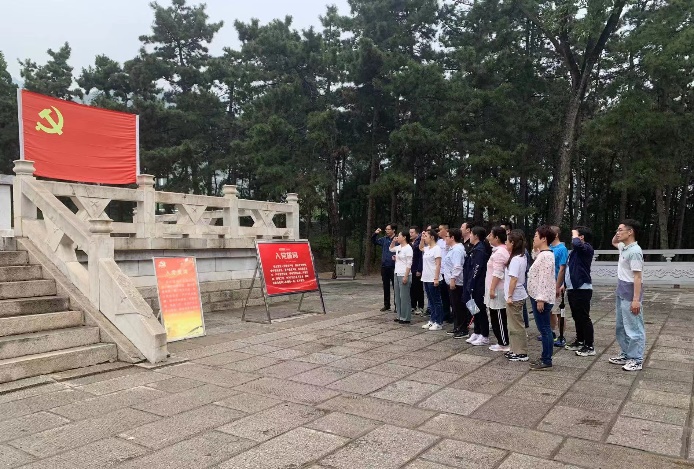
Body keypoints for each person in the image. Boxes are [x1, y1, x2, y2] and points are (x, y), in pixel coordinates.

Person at [609, 220, 645, 371]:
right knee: (621, 327)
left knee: (634, 328)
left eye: (620, 230)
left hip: (631, 294)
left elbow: (637, 277)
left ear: (630, 232)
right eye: (617, 230)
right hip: (621, 291)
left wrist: (636, 300)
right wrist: (618, 232)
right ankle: (626, 354)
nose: (617, 233)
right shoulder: (624, 247)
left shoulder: (635, 251)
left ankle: (636, 359)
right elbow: (614, 242)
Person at [527, 225, 557, 371]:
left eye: (536, 236)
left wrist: (541, 298)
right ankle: (545, 357)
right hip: (537, 295)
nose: (533, 238)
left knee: (545, 330)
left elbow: (545, 279)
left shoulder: (546, 256)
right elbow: (535, 258)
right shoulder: (543, 254)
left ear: (544, 239)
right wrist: (535, 247)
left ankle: (546, 359)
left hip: (541, 298)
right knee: (544, 329)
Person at [564, 226, 595, 357]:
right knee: (576, 316)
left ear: (581, 237)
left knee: (584, 317)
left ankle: (589, 345)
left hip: (582, 288)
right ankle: (580, 340)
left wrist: (575, 235)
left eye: (575, 235)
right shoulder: (576, 251)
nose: (572, 238)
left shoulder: (587, 247)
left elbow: (577, 244)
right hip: (573, 287)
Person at [482, 226, 510, 350]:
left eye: (491, 235)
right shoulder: (497, 250)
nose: (489, 237)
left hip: (498, 289)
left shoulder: (500, 252)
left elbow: (498, 272)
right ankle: (500, 341)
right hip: (493, 288)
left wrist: (492, 289)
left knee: (499, 317)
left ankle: (504, 343)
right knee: (494, 316)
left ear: (497, 238)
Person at [504, 230, 529, 362]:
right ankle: (514, 349)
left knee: (516, 325)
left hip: (515, 296)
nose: (505, 243)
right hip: (517, 295)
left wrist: (509, 296)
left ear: (512, 243)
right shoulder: (520, 257)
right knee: (512, 325)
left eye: (507, 241)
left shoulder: (516, 259)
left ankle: (521, 352)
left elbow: (514, 279)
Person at [465, 226, 491, 344]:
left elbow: (477, 268)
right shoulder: (474, 248)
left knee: (480, 309)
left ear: (476, 236)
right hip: (472, 283)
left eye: (471, 234)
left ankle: (484, 334)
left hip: (478, 284)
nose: (470, 236)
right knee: (474, 309)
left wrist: (472, 282)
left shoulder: (480, 250)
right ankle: (477, 331)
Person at [443, 228, 470, 338]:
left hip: (457, 283)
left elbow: (457, 266)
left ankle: (463, 329)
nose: (445, 239)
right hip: (451, 281)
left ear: (452, 237)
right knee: (454, 306)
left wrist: (453, 279)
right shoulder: (452, 248)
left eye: (447, 236)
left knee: (459, 306)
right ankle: (457, 326)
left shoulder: (457, 250)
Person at [420, 228, 444, 331]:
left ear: (432, 237)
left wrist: (436, 278)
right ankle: (432, 320)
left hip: (433, 278)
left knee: (436, 301)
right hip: (426, 278)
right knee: (430, 300)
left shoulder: (437, 248)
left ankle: (438, 322)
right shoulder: (427, 248)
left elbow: (438, 264)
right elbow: (420, 247)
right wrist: (422, 238)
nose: (425, 238)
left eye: (426, 236)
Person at [550, 226, 568, 347]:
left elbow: (562, 269)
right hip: (548, 284)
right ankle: (551, 332)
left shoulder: (562, 249)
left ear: (556, 235)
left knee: (559, 311)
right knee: (550, 311)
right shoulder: (549, 248)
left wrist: (558, 286)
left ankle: (562, 335)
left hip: (557, 284)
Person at [390, 230, 413, 324]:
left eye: (399, 236)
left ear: (404, 237)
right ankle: (399, 315)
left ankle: (406, 317)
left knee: (404, 297)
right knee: (398, 296)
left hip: (404, 274)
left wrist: (406, 276)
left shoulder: (408, 248)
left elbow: (409, 263)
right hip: (397, 273)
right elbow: (391, 249)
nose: (397, 237)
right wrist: (393, 241)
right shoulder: (399, 247)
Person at [372, 224, 396, 312]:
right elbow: (374, 241)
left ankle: (397, 305)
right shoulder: (384, 239)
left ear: (393, 230)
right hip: (384, 266)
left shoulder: (397, 239)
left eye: (388, 229)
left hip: (394, 266)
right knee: (385, 286)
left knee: (395, 287)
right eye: (386, 229)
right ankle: (387, 305)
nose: (387, 231)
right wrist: (375, 234)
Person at [437, 224, 452, 323]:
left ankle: (453, 314)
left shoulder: (449, 241)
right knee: (443, 295)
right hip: (441, 271)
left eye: (440, 229)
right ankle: (446, 313)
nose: (438, 231)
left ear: (446, 230)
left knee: (450, 295)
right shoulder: (438, 242)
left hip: (448, 272)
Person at [409, 226, 425, 315]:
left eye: (412, 232)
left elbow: (420, 257)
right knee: (412, 288)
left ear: (417, 233)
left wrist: (419, 269)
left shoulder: (419, 242)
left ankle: (421, 306)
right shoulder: (411, 242)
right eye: (410, 232)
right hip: (411, 268)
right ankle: (413, 305)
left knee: (418, 288)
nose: (410, 234)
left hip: (417, 268)